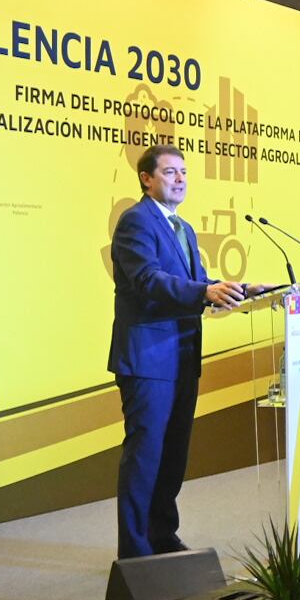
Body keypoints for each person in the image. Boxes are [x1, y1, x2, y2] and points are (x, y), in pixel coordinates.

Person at [107, 144, 249, 559]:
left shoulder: (184, 229)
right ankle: (134, 551)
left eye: (184, 172)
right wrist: (204, 290)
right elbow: (149, 280)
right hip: (149, 358)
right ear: (146, 179)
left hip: (183, 356)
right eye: (170, 172)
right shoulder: (136, 222)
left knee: (172, 455)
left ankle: (162, 534)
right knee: (145, 455)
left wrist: (242, 289)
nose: (180, 179)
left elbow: (197, 283)